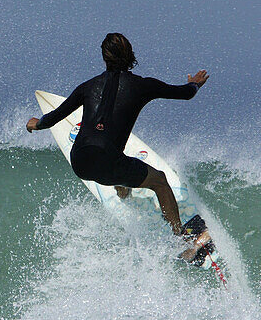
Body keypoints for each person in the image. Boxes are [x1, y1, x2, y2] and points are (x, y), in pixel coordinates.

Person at [27, 32, 208, 236]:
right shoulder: (143, 85)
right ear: (131, 54)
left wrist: (36, 124)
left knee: (114, 162)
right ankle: (180, 236)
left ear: (104, 57)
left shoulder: (87, 87)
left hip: (80, 161)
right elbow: (185, 93)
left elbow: (53, 118)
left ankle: (122, 189)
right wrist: (195, 83)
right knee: (159, 181)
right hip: (109, 161)